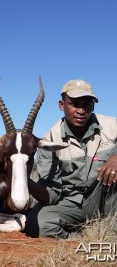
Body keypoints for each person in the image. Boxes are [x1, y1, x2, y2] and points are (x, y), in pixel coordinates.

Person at [25, 79, 117, 238]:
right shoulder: (50, 141)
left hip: (108, 197)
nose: (81, 110)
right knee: (36, 223)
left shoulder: (111, 125)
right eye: (75, 104)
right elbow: (51, 194)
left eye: (87, 104)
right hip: (73, 203)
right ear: (62, 105)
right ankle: (84, 240)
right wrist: (25, 181)